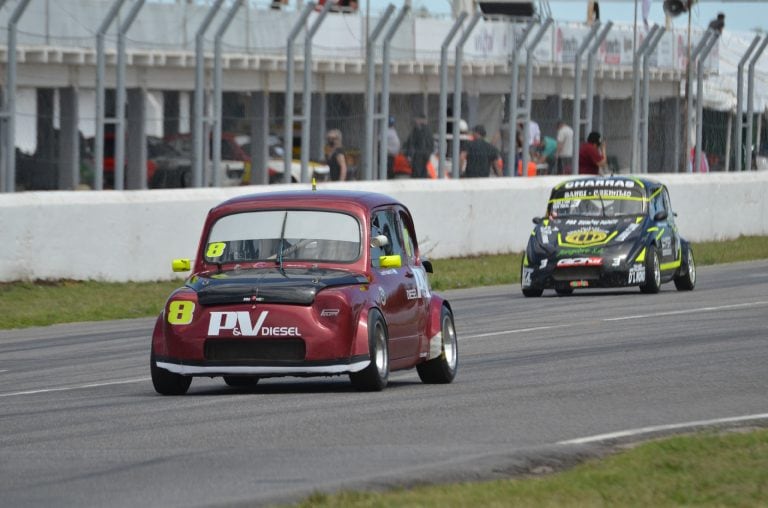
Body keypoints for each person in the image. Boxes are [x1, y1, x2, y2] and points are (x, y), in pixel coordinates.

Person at [402, 113, 434, 179]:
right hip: (424, 155)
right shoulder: (427, 130)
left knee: (417, 175)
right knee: (422, 173)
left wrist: (409, 154)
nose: (415, 121)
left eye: (417, 119)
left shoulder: (418, 130)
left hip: (418, 156)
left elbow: (412, 143)